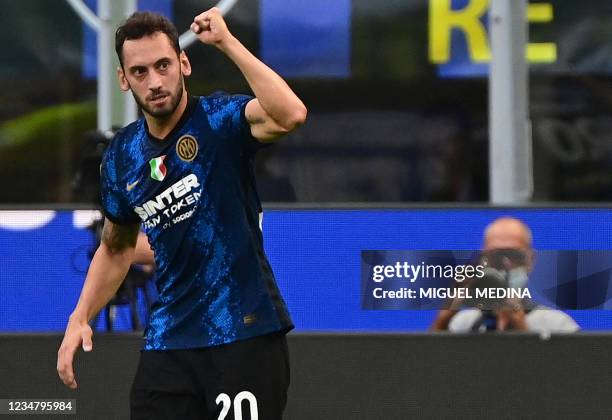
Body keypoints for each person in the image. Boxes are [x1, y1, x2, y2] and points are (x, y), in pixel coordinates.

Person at [57, 8, 306, 419]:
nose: (154, 82)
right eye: (139, 72)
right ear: (123, 80)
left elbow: (291, 114)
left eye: (163, 66)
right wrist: (80, 316)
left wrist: (226, 41)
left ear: (183, 64)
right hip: (169, 342)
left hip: (243, 333)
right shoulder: (122, 157)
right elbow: (116, 249)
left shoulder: (219, 121)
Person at [431, 217, 579, 334]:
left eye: (514, 256)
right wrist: (445, 316)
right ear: (484, 260)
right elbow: (427, 366)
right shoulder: (464, 325)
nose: (505, 264)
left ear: (530, 261)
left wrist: (521, 327)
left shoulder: (557, 326)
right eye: (496, 256)